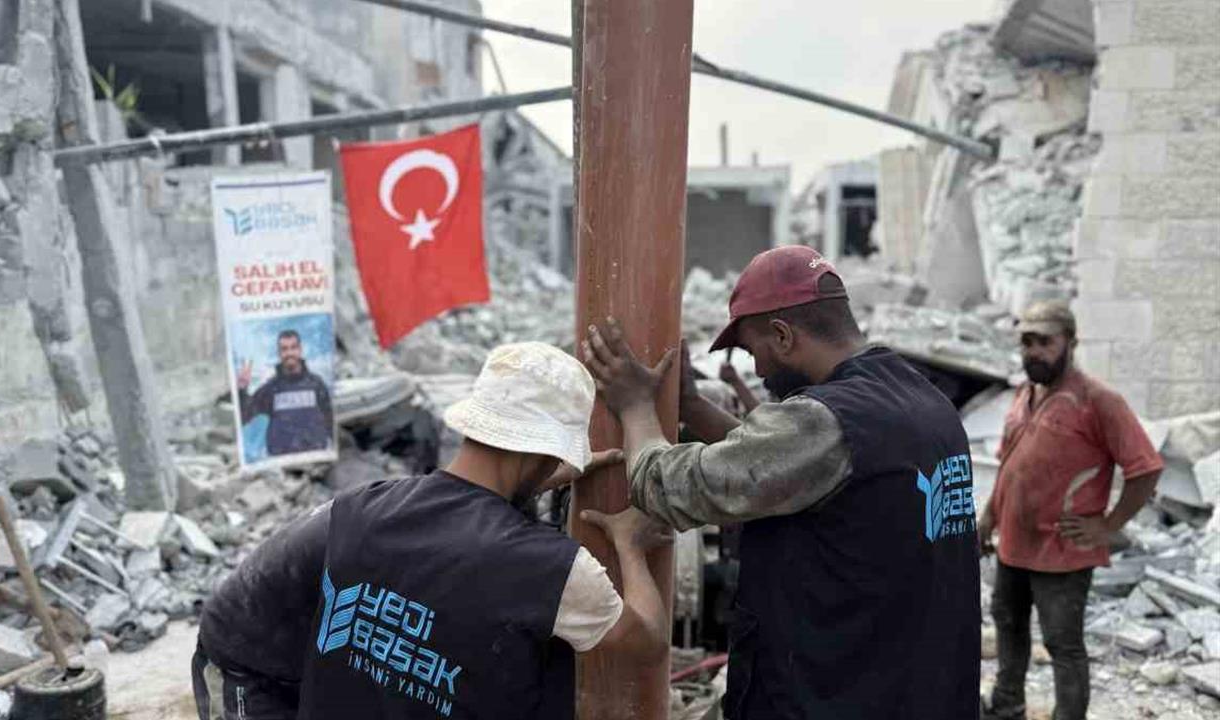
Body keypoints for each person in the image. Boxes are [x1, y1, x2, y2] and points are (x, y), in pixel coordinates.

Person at [581, 245, 980, 719]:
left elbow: (668, 487)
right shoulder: (917, 400)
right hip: (916, 690)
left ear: (783, 335)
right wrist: (690, 406)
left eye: (754, 351)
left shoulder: (828, 420)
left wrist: (635, 407)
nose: (758, 370)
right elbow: (790, 468)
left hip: (837, 696)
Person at [193, 342, 671, 720]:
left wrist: (533, 478)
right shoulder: (553, 570)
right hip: (250, 669)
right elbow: (647, 641)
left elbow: (465, 512)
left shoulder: (362, 508)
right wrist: (629, 546)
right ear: (545, 454)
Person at [979, 301, 1163, 720]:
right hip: (1012, 543)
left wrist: (1109, 525)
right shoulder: (1024, 395)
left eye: (1045, 341)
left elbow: (1146, 468)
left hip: (1062, 551)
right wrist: (989, 517)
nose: (1033, 350)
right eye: (1026, 341)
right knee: (1008, 625)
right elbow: (1010, 464)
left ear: (1071, 343)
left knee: (1063, 644)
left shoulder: (1098, 400)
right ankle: (1008, 706)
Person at [236, 329, 334, 457]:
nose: (289, 353)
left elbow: (330, 421)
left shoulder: (316, 384)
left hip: (315, 460)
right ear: (279, 353)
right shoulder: (271, 389)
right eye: (284, 349)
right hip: (283, 464)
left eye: (293, 348)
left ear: (300, 350)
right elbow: (244, 415)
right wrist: (241, 390)